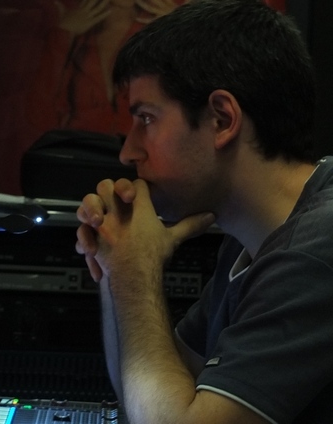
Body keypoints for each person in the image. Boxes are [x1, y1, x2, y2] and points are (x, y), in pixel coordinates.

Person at [74, 0, 333, 423]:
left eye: (146, 118)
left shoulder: (315, 251)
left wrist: (131, 272)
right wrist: (113, 259)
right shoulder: (249, 240)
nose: (128, 152)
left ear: (221, 119)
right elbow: (149, 401)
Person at [25, 0, 185, 136]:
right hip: (76, 154)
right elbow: (38, 114)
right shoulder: (62, 26)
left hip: (141, 157)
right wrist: (62, 34)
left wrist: (182, 32)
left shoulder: (164, 26)